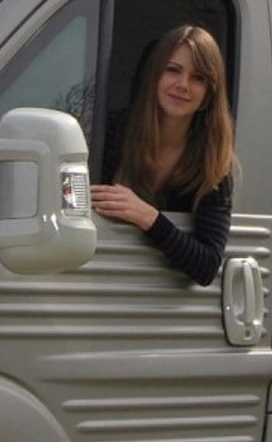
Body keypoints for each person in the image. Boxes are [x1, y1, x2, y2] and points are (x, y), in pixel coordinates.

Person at [89, 24, 237, 286]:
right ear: (155, 75)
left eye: (198, 78)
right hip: (96, 280)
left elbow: (207, 266)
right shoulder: (110, 132)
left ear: (209, 95)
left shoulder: (213, 164)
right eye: (173, 70)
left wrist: (147, 216)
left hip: (160, 297)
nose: (183, 85)